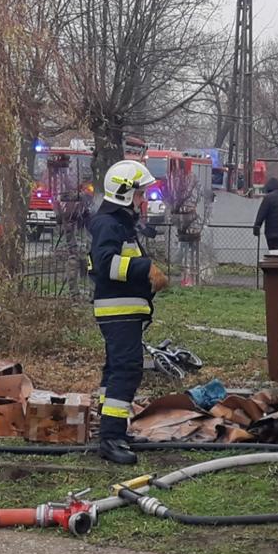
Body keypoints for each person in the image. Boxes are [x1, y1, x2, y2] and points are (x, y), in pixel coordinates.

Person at [87, 160, 168, 465]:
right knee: (126, 368)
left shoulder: (119, 223)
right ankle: (110, 439)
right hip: (118, 312)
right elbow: (106, 264)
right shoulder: (108, 225)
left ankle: (113, 428)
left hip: (123, 312)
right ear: (124, 192)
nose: (143, 199)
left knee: (115, 369)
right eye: (139, 193)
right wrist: (146, 268)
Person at [252, 176, 278, 251]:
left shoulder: (268, 198)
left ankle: (274, 262)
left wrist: (256, 227)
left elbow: (261, 214)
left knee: (273, 253)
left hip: (272, 232)